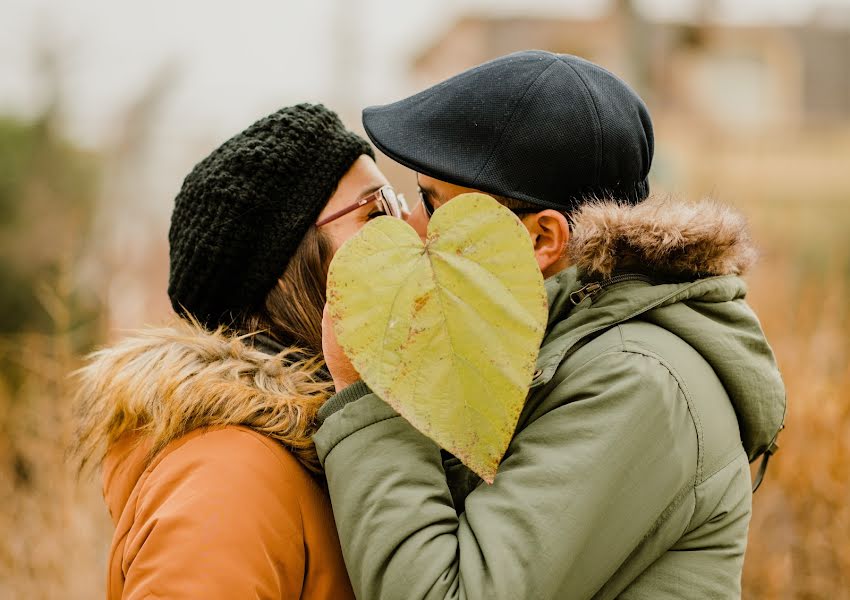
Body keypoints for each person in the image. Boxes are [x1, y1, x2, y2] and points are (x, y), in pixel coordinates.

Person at [316, 51, 787, 599]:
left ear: (542, 240)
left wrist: (365, 389)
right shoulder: (562, 346)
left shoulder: (638, 383)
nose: (412, 226)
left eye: (432, 201)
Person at [73, 103, 403, 599]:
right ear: (288, 267)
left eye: (396, 205)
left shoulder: (333, 448)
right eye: (376, 213)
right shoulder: (227, 476)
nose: (411, 231)